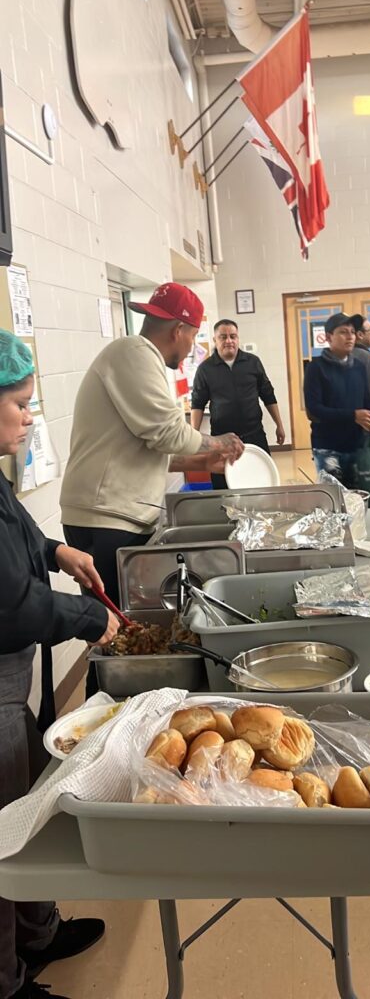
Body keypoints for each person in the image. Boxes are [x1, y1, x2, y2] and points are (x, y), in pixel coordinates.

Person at [0, 330, 119, 999]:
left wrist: (55, 552)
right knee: (0, 830)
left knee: (23, 808)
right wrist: (88, 617)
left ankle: (38, 933)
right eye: (20, 404)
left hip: (11, 680)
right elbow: (13, 608)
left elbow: (17, 536)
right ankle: (7, 982)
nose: (29, 418)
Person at [60, 283, 243, 693]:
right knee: (113, 636)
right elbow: (166, 432)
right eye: (194, 336)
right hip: (105, 518)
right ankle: (102, 709)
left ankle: (118, 704)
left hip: (113, 512)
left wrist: (200, 460)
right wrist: (217, 442)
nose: (191, 347)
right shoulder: (134, 353)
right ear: (179, 330)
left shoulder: (137, 359)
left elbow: (149, 447)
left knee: (121, 631)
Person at [190, 319, 286, 490]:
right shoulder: (205, 369)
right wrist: (193, 437)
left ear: (238, 338)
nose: (229, 341)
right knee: (223, 488)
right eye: (223, 337)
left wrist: (279, 425)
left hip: (254, 436)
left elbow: (268, 395)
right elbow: (197, 403)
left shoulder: (253, 362)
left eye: (233, 336)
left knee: (261, 483)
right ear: (215, 340)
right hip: (221, 440)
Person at [303, 313, 370, 488]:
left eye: (352, 332)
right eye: (343, 332)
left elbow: (367, 400)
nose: (350, 337)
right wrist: (353, 415)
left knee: (357, 498)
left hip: (356, 446)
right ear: (329, 337)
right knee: (334, 498)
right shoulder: (316, 367)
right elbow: (314, 409)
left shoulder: (359, 366)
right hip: (327, 447)